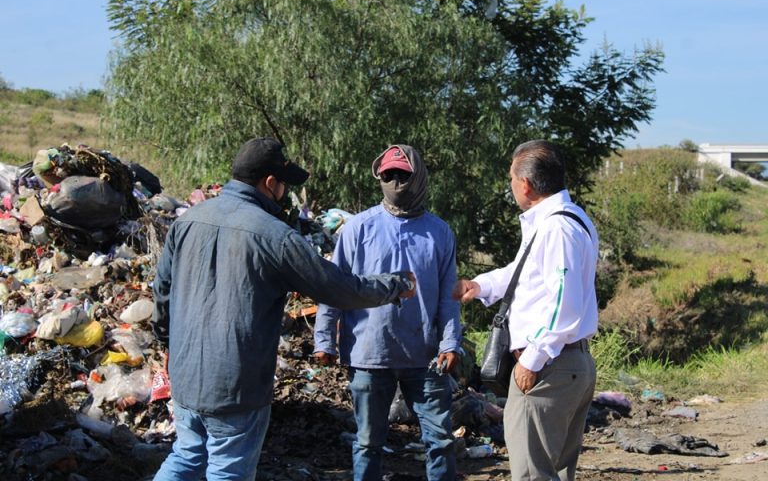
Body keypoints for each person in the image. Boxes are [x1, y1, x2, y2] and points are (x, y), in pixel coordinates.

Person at [151, 137, 416, 481]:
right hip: (236, 384)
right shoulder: (275, 236)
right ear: (270, 183)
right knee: (227, 470)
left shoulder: (188, 221)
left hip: (186, 375)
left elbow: (163, 293)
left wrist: (167, 342)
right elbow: (338, 288)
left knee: (186, 456)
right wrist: (395, 284)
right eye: (284, 185)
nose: (285, 194)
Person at [452, 139, 599, 481]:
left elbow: (565, 302)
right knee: (555, 472)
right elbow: (523, 272)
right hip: (566, 364)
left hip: (549, 367)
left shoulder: (556, 228)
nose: (511, 186)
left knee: (533, 474)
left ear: (527, 184)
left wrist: (533, 361)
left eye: (511, 178)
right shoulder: (566, 219)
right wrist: (481, 285)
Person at [314, 145, 461, 481]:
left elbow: (449, 296)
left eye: (403, 175)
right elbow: (334, 286)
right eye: (388, 175)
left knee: (439, 441)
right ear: (379, 178)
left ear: (419, 177)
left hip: (425, 356)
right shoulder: (358, 229)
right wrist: (325, 340)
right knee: (367, 443)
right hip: (369, 353)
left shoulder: (439, 232)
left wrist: (450, 343)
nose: (396, 182)